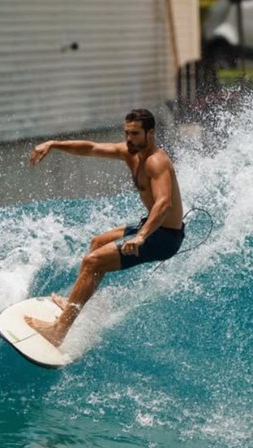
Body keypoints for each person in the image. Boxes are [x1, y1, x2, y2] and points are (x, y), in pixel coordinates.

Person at [26, 109, 184, 347]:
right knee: (97, 243)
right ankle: (75, 305)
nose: (129, 139)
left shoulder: (156, 162)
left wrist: (141, 237)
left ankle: (58, 331)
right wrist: (54, 144)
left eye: (135, 134)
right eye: (126, 133)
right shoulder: (130, 153)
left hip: (164, 237)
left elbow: (164, 203)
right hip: (151, 227)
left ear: (150, 134)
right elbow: (89, 148)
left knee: (92, 261)